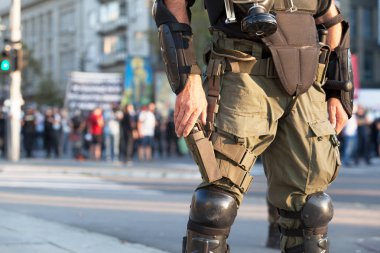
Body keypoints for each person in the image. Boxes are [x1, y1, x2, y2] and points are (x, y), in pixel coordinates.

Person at [154, 0, 353, 252]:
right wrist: (188, 78)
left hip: (308, 84)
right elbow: (171, 5)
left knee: (311, 210)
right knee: (216, 203)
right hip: (242, 72)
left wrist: (337, 89)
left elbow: (332, 18)